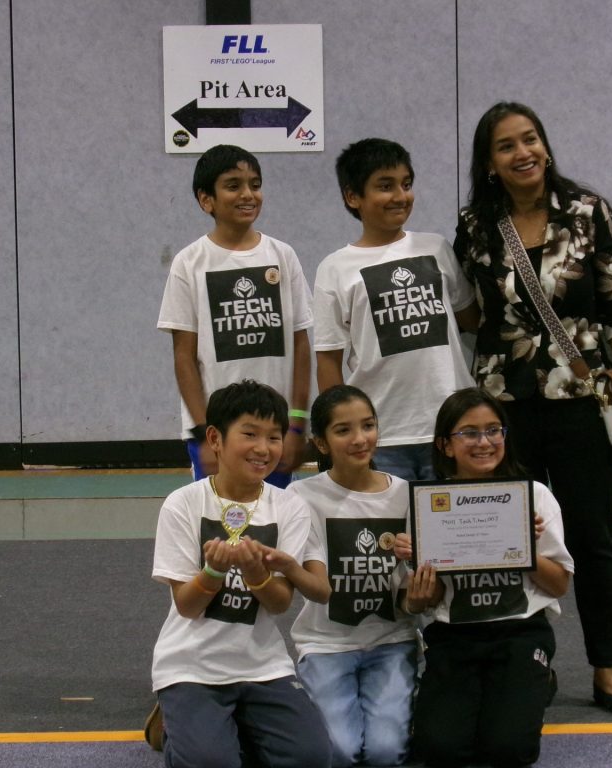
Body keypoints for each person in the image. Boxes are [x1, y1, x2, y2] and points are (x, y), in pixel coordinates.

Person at [454, 101, 612, 714]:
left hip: (579, 402)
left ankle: (605, 668)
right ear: (489, 163)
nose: (523, 153)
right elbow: (471, 313)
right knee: (507, 539)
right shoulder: (475, 226)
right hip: (503, 409)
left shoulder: (589, 213)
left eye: (530, 139)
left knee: (591, 538)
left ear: (545, 144)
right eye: (506, 146)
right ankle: (525, 663)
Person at [144, 380, 331, 768]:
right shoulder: (183, 504)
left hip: (262, 665)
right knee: (211, 762)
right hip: (191, 666)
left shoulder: (290, 508)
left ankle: (224, 727)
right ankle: (175, 726)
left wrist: (255, 573)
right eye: (250, 434)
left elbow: (279, 604)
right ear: (215, 438)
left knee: (311, 758)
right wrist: (213, 571)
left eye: (274, 437)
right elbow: (187, 606)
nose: (263, 448)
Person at [394, 388, 573, 767]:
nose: (484, 442)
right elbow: (428, 600)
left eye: (494, 430)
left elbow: (559, 584)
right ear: (445, 445)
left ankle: (538, 677)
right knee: (439, 749)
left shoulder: (534, 497)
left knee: (509, 749)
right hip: (455, 636)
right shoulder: (429, 505)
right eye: (469, 433)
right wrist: (420, 591)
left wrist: (522, 546)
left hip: (520, 633)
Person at [313, 138, 479, 481]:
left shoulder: (436, 248)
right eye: (385, 186)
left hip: (449, 428)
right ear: (353, 197)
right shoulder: (335, 267)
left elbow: (472, 320)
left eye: (406, 184)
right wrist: (340, 430)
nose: (401, 196)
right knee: (390, 519)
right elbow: (328, 360)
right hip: (379, 435)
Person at [277, 385, 416, 767]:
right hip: (326, 645)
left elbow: (411, 595)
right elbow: (314, 584)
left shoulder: (406, 494)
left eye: (368, 426)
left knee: (385, 753)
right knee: (339, 751)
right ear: (321, 443)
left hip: (393, 642)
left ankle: (411, 697)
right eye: (343, 430)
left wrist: (418, 588)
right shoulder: (301, 496)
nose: (359, 439)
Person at [158, 144, 312, 488]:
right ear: (206, 200)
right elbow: (184, 357)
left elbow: (301, 345)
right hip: (217, 432)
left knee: (273, 518)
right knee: (221, 520)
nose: (248, 194)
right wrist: (205, 433)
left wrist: (297, 424)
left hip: (276, 429)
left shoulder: (283, 256)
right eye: (233, 186)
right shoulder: (189, 262)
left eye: (255, 185)